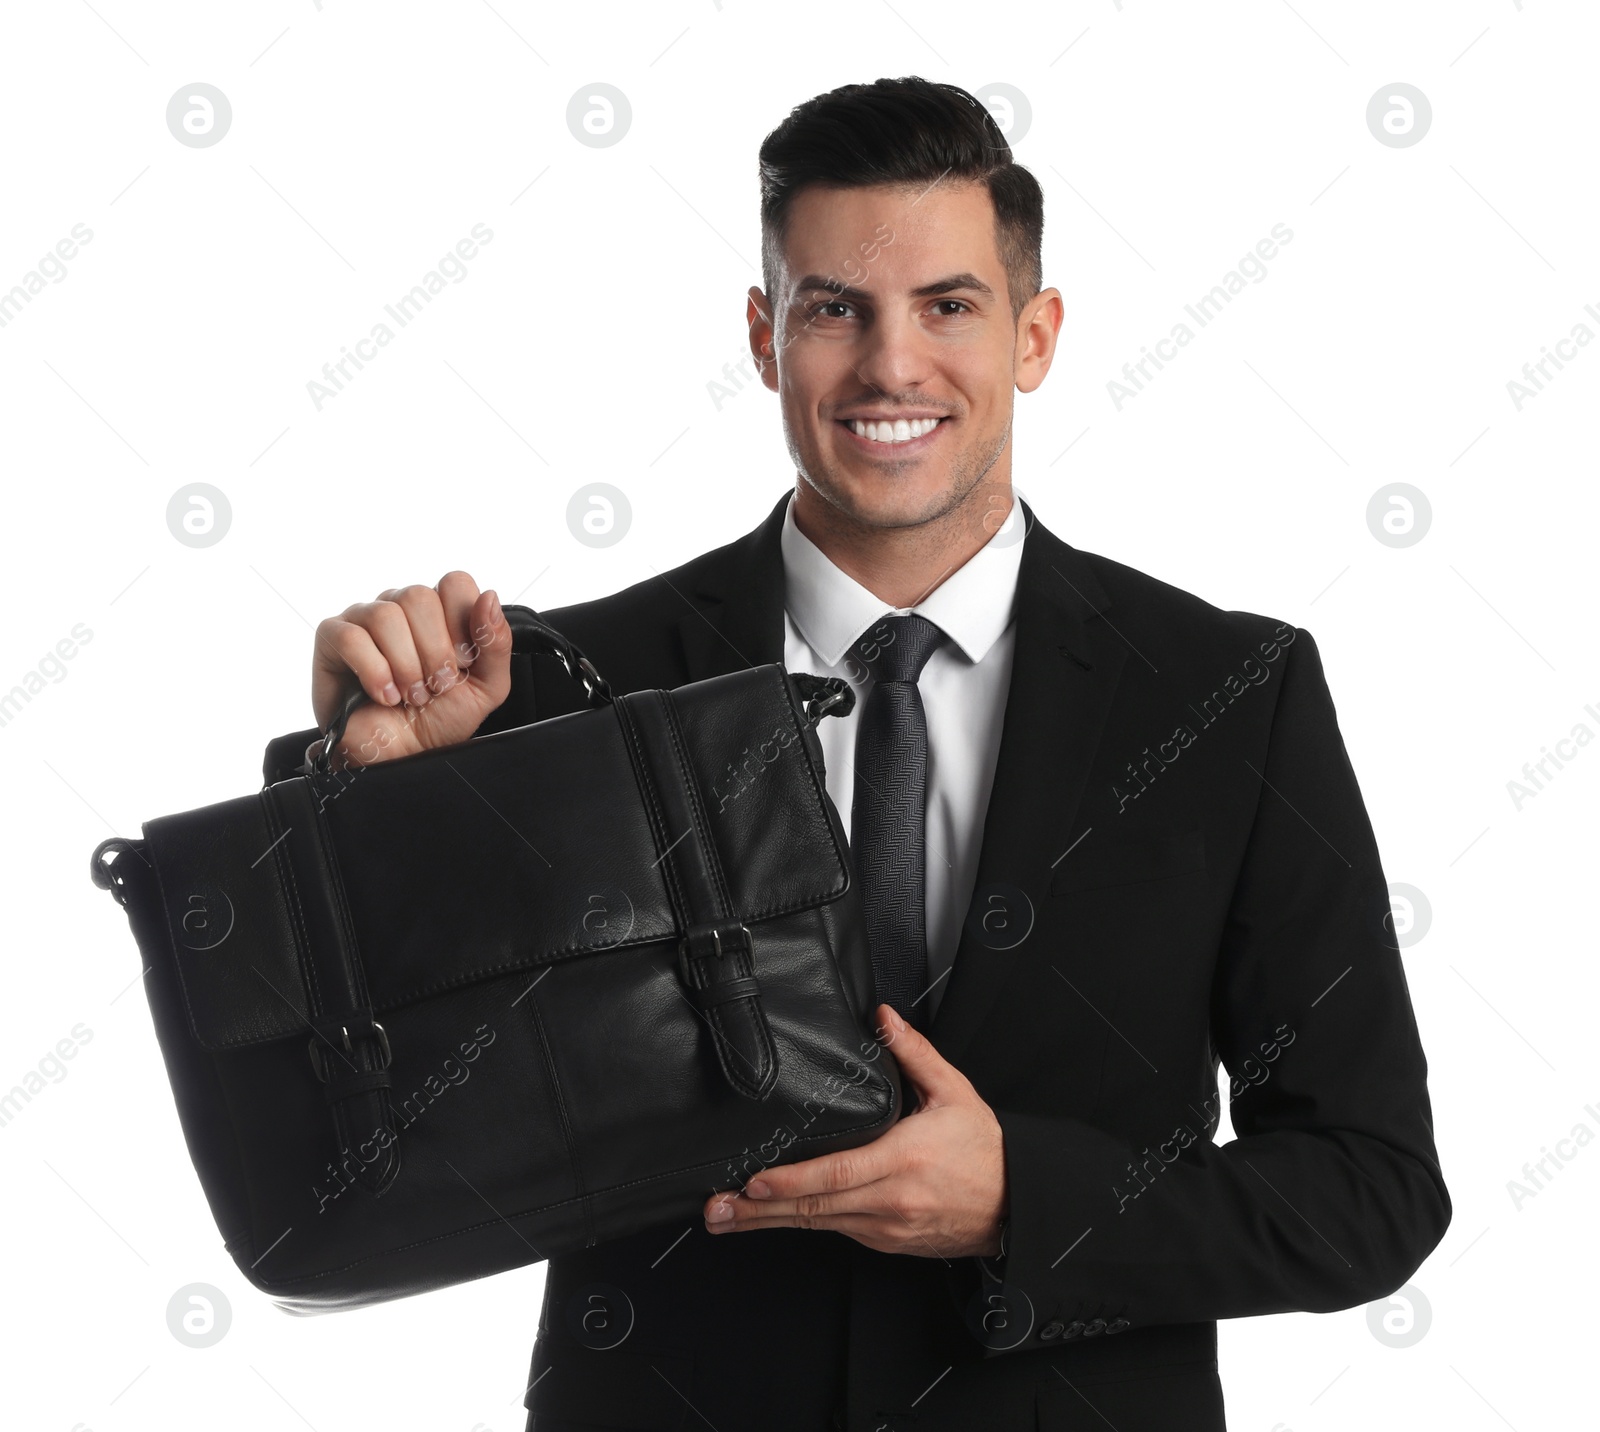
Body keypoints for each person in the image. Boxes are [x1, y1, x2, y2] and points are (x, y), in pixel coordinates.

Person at [264, 76, 1449, 1432]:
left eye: (949, 306)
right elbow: (369, 1128)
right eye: (836, 308)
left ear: (1036, 334)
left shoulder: (1230, 693)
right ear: (767, 340)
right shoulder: (562, 681)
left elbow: (1372, 1190)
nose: (892, 365)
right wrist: (363, 794)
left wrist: (1026, 1205)